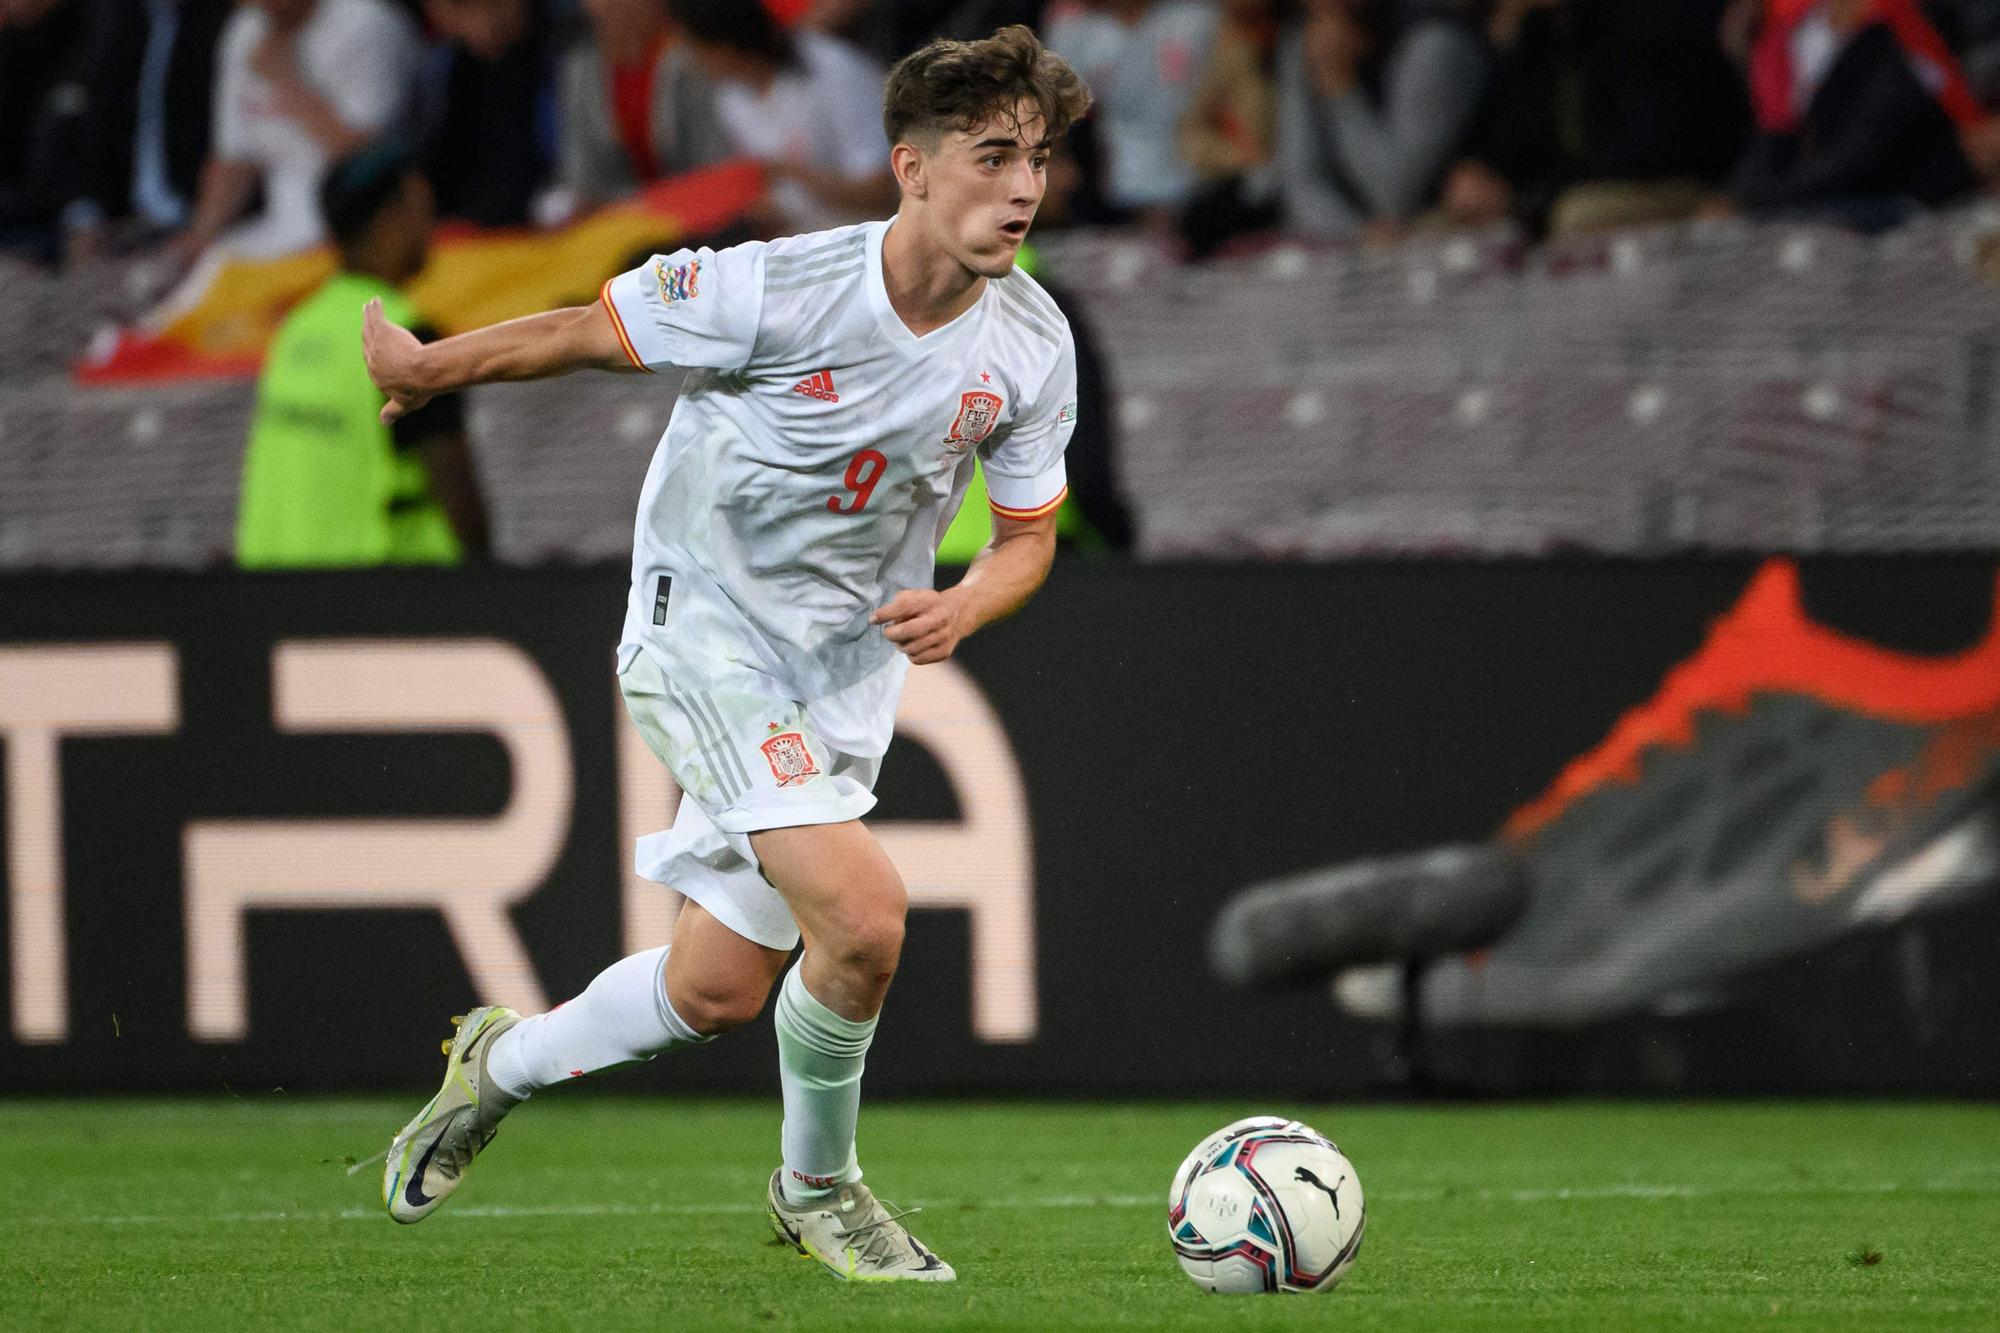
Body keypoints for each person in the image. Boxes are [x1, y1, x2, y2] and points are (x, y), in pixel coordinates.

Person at [363, 25, 1092, 1282]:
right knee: (863, 922)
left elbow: (1027, 535)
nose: (1022, 186)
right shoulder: (777, 286)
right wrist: (434, 367)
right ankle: (822, 1189)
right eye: (991, 156)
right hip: (700, 627)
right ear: (909, 169)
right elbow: (587, 332)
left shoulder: (1030, 346)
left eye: (1035, 158)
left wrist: (970, 601)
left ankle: (502, 1060)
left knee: (715, 991)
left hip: (839, 669)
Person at [236, 142, 488, 568]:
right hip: (380, 596)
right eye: (422, 209)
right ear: (390, 219)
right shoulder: (410, 337)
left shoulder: (296, 330)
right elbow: (455, 490)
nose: (431, 227)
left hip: (275, 589)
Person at [168, 0, 422, 270]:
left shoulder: (368, 23)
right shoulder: (246, 28)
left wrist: (287, 81)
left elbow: (370, 164)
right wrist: (200, 238)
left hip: (360, 233)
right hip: (279, 230)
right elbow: (234, 158)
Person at [668, 0, 896, 234]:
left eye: (693, 48)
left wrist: (790, 172)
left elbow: (882, 193)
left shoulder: (836, 71)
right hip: (798, 237)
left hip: (868, 232)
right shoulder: (731, 98)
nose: (690, 62)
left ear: (723, 47)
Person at [1273, 0, 1489, 241]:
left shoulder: (1434, 39)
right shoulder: (1305, 35)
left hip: (1459, 239)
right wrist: (1356, 234)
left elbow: (1395, 197)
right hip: (1364, 247)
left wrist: (1340, 88)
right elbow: (1299, 179)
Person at [550, 0, 729, 222]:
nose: (610, 7)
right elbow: (583, 172)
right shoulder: (581, 67)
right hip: (619, 216)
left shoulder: (692, 57)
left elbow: (714, 165)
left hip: (694, 212)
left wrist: (646, 206)